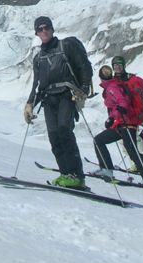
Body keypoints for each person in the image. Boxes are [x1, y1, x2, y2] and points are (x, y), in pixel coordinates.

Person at [24, 16, 92, 188]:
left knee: (64, 130)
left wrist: (84, 89)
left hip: (67, 95)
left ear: (52, 29)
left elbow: (83, 66)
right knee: (54, 136)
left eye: (46, 27)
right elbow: (37, 84)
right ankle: (65, 175)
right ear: (37, 33)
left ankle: (77, 176)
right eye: (40, 29)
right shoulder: (38, 58)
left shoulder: (66, 46)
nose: (44, 31)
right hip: (48, 99)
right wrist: (30, 104)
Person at [93, 65, 143, 187]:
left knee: (131, 149)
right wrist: (113, 118)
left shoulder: (112, 87)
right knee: (99, 140)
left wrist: (112, 117)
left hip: (126, 122)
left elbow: (123, 102)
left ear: (101, 78)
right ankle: (107, 169)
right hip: (121, 124)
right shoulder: (114, 85)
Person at [111, 55, 143, 172]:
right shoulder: (113, 81)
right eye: (115, 65)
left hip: (133, 114)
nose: (117, 67)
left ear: (123, 66)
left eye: (119, 65)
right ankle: (136, 164)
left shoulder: (131, 79)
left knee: (134, 139)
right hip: (122, 115)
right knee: (124, 140)